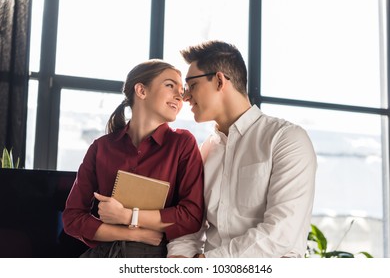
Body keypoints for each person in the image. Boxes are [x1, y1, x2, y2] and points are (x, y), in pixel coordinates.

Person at [167, 40, 317, 258]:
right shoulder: (206, 150)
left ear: (219, 81)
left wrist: (208, 263)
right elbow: (190, 225)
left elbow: (282, 232)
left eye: (192, 85)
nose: (185, 96)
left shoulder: (286, 139)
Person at [62, 59, 204, 258]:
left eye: (181, 91)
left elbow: (191, 216)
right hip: (104, 253)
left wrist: (128, 216)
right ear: (141, 91)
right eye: (170, 85)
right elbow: (72, 218)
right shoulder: (101, 147)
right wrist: (134, 233)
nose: (179, 96)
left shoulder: (182, 143)